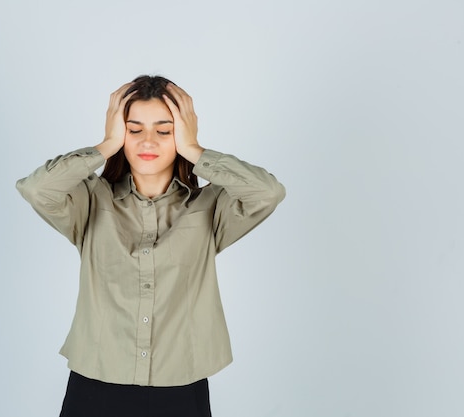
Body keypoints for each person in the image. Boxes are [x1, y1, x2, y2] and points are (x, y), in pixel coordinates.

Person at [16, 75, 286, 417]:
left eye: (164, 130)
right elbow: (37, 189)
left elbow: (268, 192)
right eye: (134, 129)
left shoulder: (211, 206)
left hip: (181, 387)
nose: (148, 141)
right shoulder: (89, 199)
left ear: (182, 133)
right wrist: (105, 144)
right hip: (95, 384)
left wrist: (195, 150)